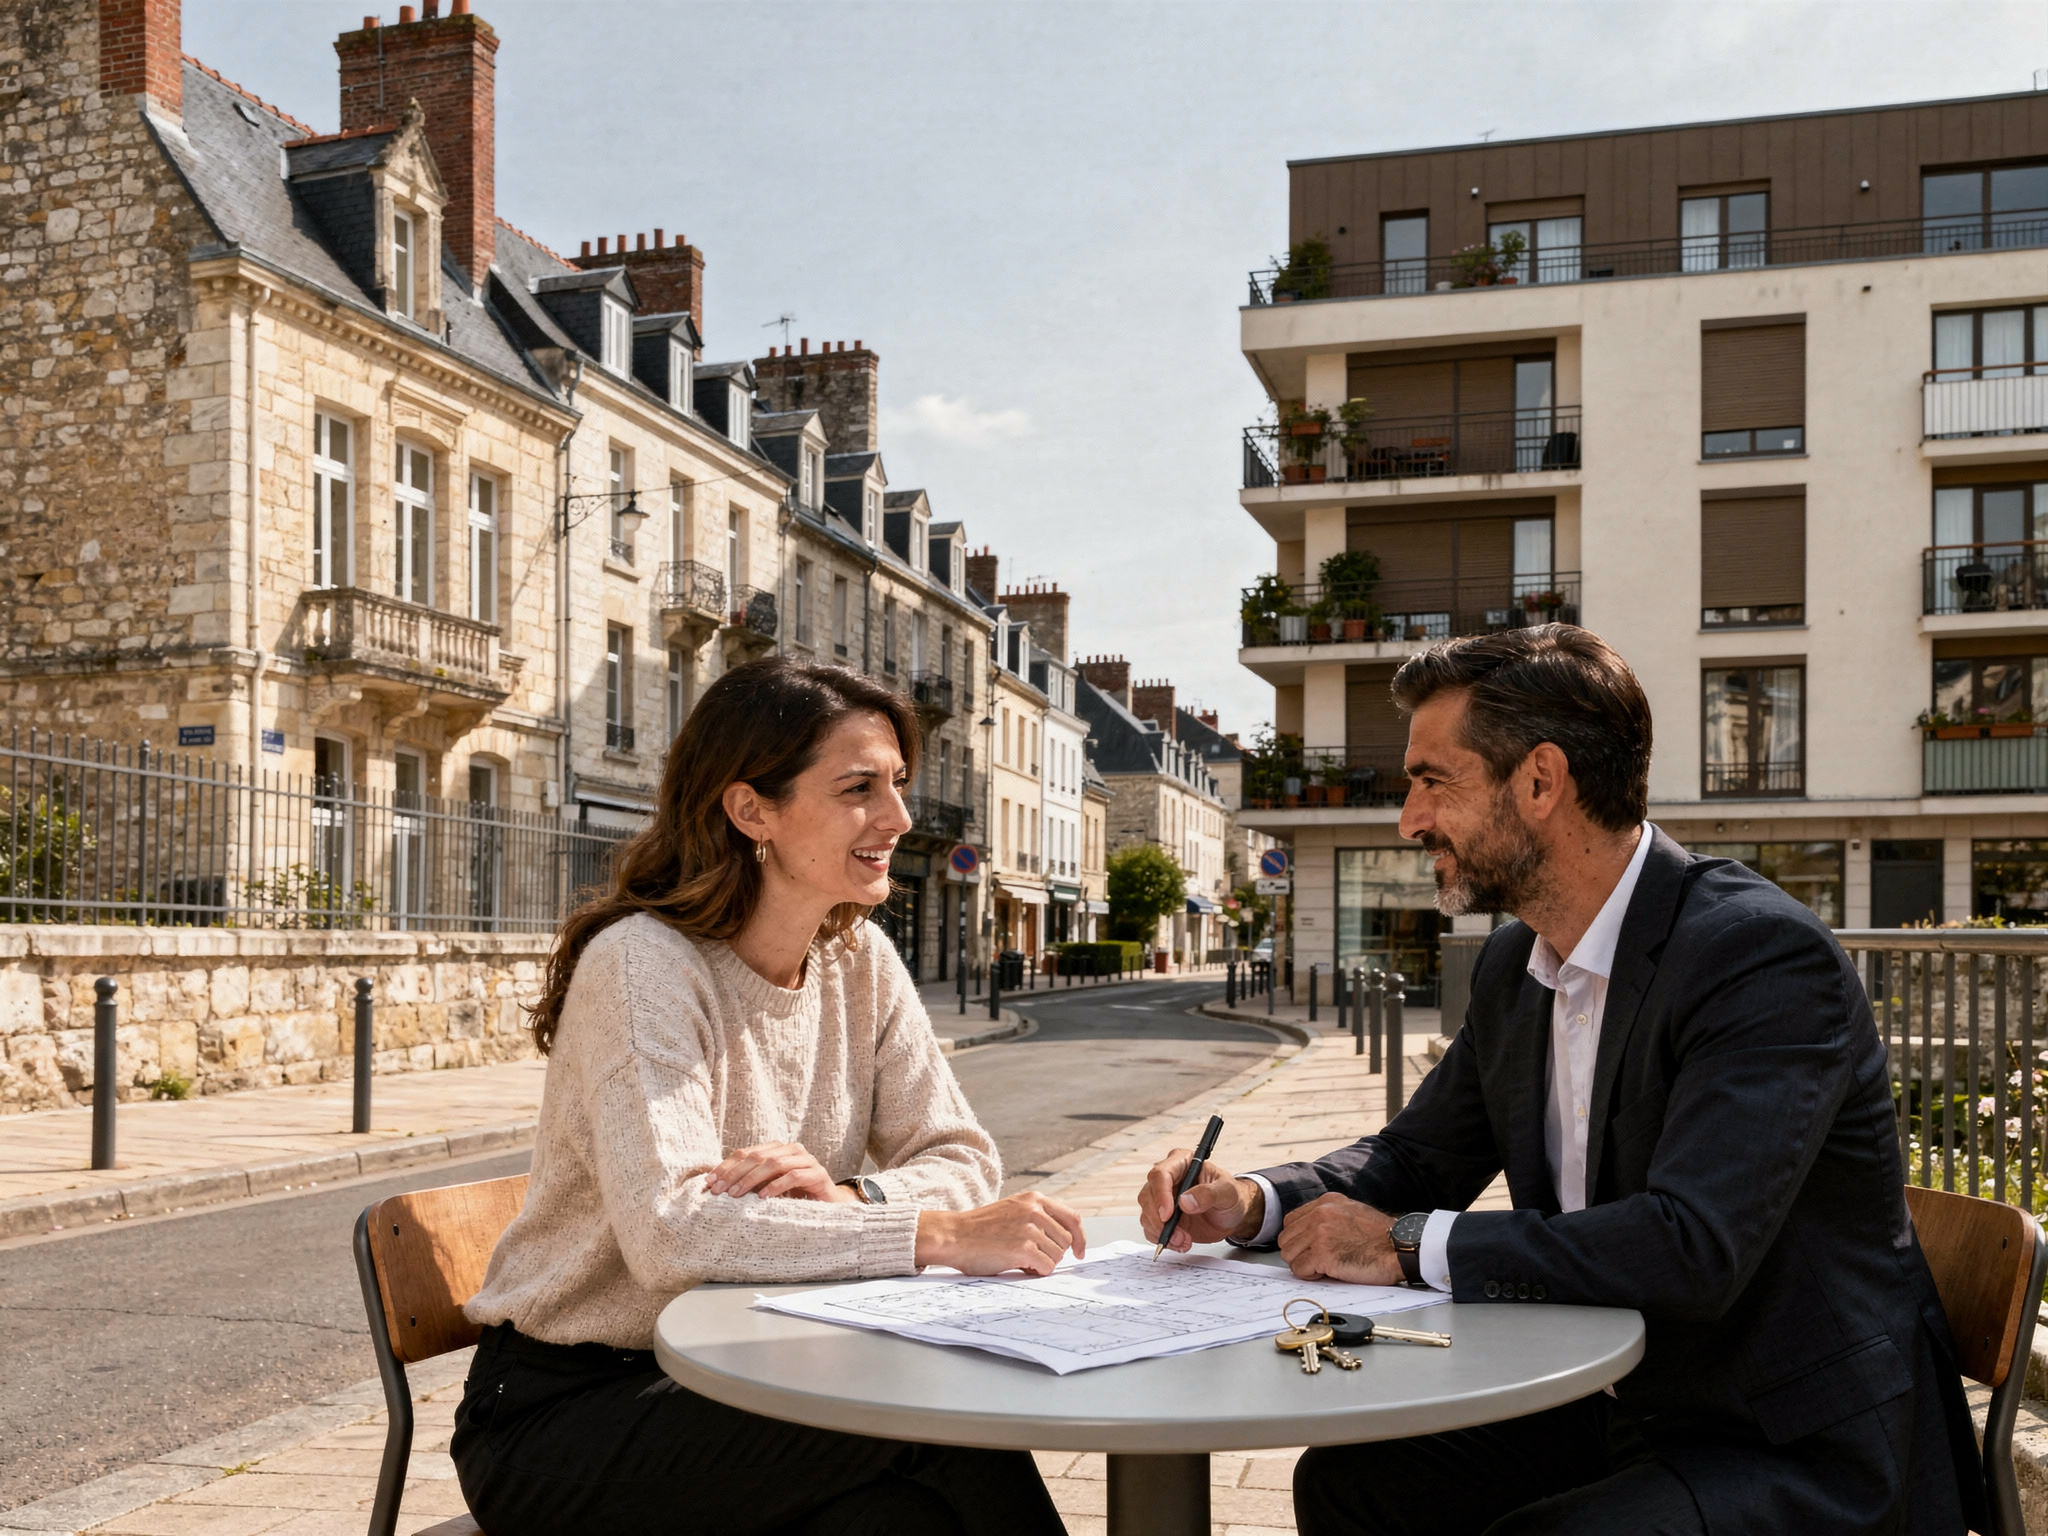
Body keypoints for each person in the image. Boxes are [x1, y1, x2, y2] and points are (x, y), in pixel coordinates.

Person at [1138, 625, 1984, 1536]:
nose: (1409, 820)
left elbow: (1692, 1245)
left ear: (1541, 781)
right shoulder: (1519, 964)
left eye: (1433, 780)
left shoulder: (1758, 957)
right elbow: (1415, 1158)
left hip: (1789, 1441)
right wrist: (1254, 1201)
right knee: (1353, 1482)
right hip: (1633, 1407)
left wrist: (1408, 1243)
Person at [453, 656, 1077, 1536]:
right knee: (934, 1414)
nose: (897, 817)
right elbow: (673, 1232)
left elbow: (964, 1158)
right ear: (752, 810)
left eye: (897, 783)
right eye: (858, 787)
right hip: (574, 1413)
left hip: (750, 1365)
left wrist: (851, 1198)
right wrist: (930, 1234)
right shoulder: (642, 966)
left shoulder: (859, 961)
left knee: (901, 1517)